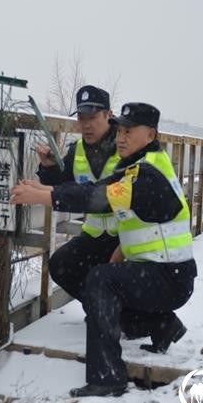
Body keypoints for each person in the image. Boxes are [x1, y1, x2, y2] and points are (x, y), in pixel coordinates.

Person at [12, 102, 197, 397]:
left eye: (129, 131)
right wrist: (45, 190)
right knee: (102, 287)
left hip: (169, 277)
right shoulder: (137, 167)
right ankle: (161, 326)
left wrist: (41, 196)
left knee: (100, 279)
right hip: (159, 270)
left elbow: (98, 197)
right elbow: (99, 189)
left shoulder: (147, 176)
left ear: (150, 134)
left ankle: (107, 376)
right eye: (120, 130)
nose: (121, 137)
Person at [34, 85, 122, 314]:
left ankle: (142, 320)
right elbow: (64, 185)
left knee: (121, 278)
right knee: (60, 265)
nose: (86, 125)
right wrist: (49, 167)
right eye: (82, 118)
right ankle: (100, 309)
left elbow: (106, 194)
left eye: (92, 117)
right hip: (94, 236)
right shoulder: (78, 149)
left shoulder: (125, 146)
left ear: (109, 115)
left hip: (127, 238)